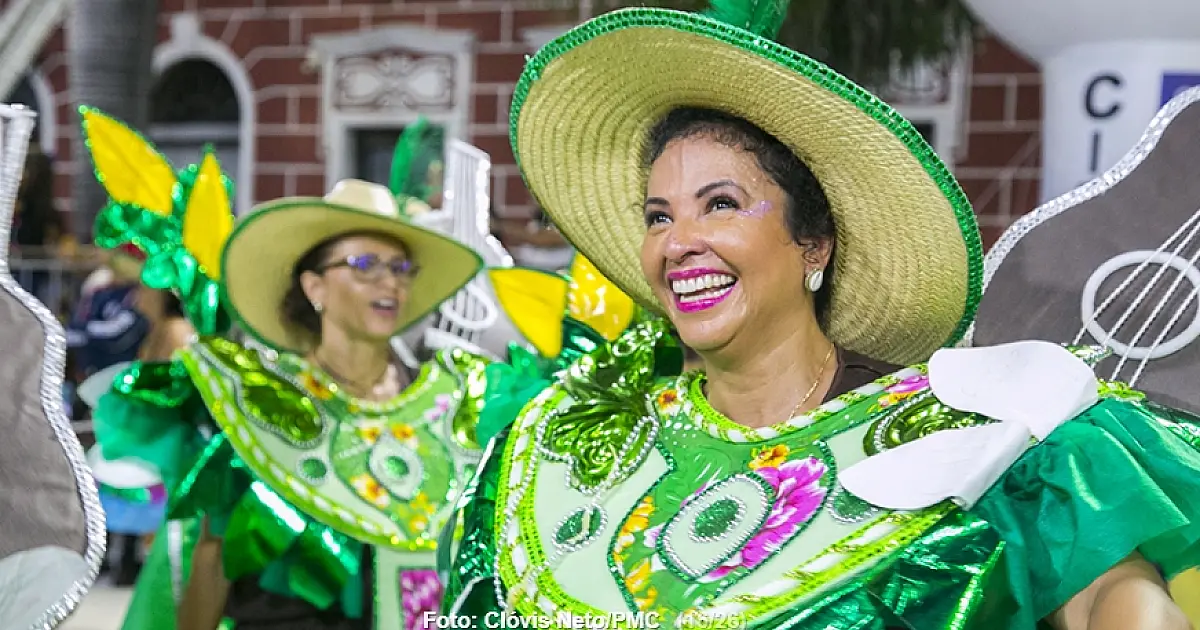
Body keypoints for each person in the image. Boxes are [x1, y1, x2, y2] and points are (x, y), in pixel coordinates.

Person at [440, 1, 1200, 627]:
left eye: (722, 205)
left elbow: (1105, 590)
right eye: (658, 216)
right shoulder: (578, 446)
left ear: (812, 246)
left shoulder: (970, 433)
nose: (680, 243)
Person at [81, 105, 502, 630]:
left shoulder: (454, 404)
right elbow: (212, 560)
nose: (390, 283)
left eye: (400, 267)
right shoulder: (259, 405)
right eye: (366, 265)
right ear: (314, 287)